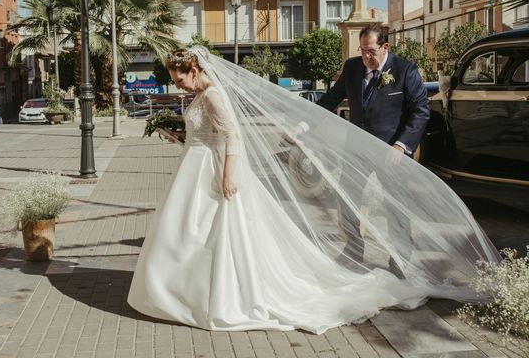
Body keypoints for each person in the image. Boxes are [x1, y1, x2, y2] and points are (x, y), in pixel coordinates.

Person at [127, 47, 499, 334]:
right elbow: (204, 134)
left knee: (212, 232)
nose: (179, 86)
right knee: (190, 232)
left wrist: (228, 174)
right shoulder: (201, 95)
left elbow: (232, 136)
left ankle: (204, 293)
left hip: (213, 172)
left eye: (180, 79)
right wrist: (179, 134)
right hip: (197, 167)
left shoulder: (213, 95)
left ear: (194, 70)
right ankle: (184, 289)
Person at [317, 24, 429, 271]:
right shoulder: (352, 67)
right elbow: (330, 100)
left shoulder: (405, 70)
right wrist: (303, 122)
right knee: (348, 199)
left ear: (385, 47)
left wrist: (401, 146)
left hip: (392, 153)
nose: (366, 56)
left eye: (371, 51)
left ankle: (399, 260)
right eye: (363, 50)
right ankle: (354, 250)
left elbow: (421, 110)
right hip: (357, 150)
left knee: (395, 208)